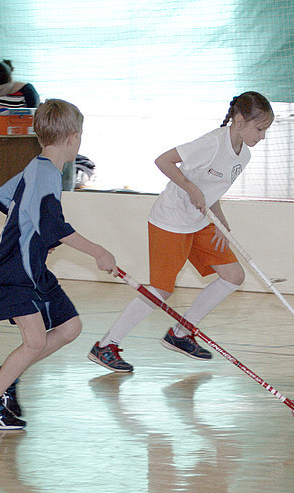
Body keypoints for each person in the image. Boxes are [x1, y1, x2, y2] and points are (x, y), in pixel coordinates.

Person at [88, 91, 274, 373]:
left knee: (234, 276)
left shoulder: (243, 156)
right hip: (171, 220)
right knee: (161, 290)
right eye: (259, 129)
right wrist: (190, 189)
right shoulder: (212, 142)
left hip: (200, 222)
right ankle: (106, 346)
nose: (262, 136)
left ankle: (181, 333)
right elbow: (163, 161)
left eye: (265, 130)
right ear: (238, 120)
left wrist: (222, 224)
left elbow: (213, 192)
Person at [0, 99, 117, 430]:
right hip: (13, 269)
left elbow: (2, 199)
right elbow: (52, 225)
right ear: (72, 137)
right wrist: (98, 251)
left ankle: (3, 374)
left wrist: (34, 236)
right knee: (35, 341)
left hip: (31, 268)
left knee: (70, 328)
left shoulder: (36, 168)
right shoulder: (47, 174)